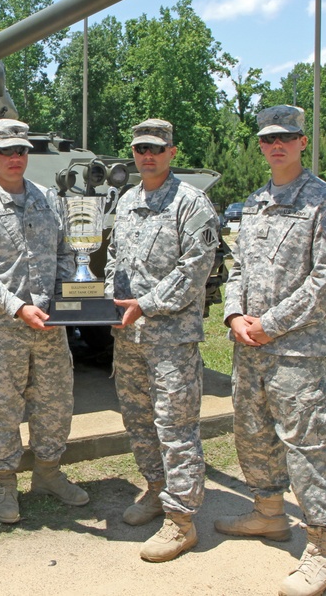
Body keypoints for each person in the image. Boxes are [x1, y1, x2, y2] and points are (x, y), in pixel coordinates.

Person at [215, 105, 326, 596]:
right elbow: (236, 268)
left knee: (308, 446)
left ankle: (324, 549)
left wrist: (270, 325)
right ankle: (269, 513)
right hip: (249, 348)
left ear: (301, 142)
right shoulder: (252, 203)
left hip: (298, 353)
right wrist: (234, 315)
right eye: (269, 139)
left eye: (287, 137)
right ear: (260, 147)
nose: (277, 145)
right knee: (252, 434)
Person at [0, 118, 88, 524]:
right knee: (3, 408)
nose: (15, 158)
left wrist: (67, 299)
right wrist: (17, 307)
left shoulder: (46, 199)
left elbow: (67, 252)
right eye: (7, 151)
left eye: (21, 151)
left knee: (55, 402)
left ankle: (48, 473)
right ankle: (5, 484)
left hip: (48, 325)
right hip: (0, 328)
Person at [104, 118, 219, 562]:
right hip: (129, 335)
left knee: (175, 426)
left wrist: (145, 304)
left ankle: (181, 520)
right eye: (139, 149)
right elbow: (115, 254)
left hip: (170, 338)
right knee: (138, 420)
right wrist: (111, 301)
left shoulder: (192, 204)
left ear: (172, 151)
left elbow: (195, 269)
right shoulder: (129, 200)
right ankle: (155, 489)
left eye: (156, 148)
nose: (147, 156)